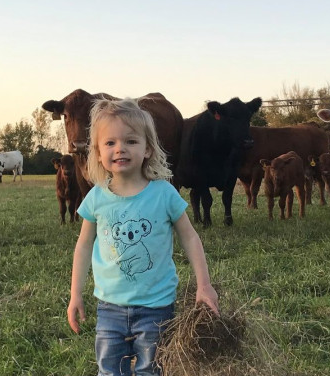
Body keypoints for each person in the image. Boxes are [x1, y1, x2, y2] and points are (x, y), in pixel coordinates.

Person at [67, 97, 220, 375]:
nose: (120, 149)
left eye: (131, 141)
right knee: (110, 370)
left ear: (148, 148)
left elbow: (190, 238)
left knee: (152, 370)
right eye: (110, 143)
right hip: (109, 308)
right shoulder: (97, 197)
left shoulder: (164, 194)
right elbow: (84, 244)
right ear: (98, 152)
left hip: (157, 308)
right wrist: (75, 293)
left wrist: (204, 285)